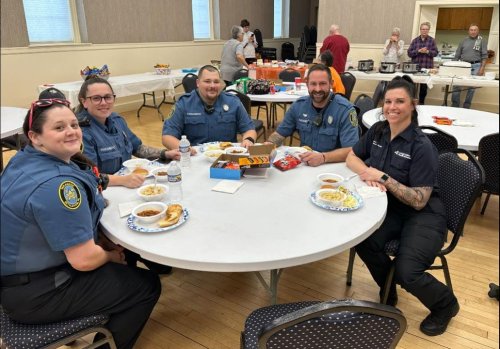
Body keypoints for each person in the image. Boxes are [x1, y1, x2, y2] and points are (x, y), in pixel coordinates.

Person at [0, 98, 161, 349]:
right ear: (35, 136)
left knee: (123, 260)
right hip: (37, 294)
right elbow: (84, 260)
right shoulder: (57, 186)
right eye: (59, 127)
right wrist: (109, 256)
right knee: (146, 285)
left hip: (16, 280)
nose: (71, 131)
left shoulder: (23, 161)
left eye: (74, 124)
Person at [346, 75, 459, 337]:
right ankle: (388, 289)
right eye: (388, 101)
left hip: (425, 214)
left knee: (408, 271)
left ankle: (446, 305)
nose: (392, 107)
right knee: (361, 239)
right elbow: (352, 156)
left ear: (413, 105)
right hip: (391, 207)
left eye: (400, 101)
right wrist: (368, 172)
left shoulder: (422, 146)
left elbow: (419, 200)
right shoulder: (378, 130)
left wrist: (383, 177)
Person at [76, 77, 180, 189]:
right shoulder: (80, 132)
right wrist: (122, 180)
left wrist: (164, 154)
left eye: (108, 97)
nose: (104, 103)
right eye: (96, 98)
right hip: (105, 190)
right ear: (84, 102)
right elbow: (89, 175)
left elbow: (137, 148)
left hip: (129, 183)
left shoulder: (117, 120)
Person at [266, 64, 359, 166]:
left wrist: (323, 157)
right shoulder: (298, 106)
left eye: (323, 83)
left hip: (333, 167)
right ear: (307, 84)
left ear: (331, 84)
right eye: (313, 84)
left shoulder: (345, 110)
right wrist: (268, 145)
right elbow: (280, 134)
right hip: (305, 165)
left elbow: (352, 150)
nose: (318, 89)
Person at [162, 65, 257, 152]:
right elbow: (167, 137)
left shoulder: (233, 102)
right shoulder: (183, 103)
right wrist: (185, 149)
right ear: (198, 83)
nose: (212, 86)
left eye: (216, 82)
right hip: (195, 157)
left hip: (227, 156)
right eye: (207, 81)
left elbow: (249, 129)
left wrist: (248, 140)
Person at [452, 23, 488, 109]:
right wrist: (453, 66)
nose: (473, 32)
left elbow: (484, 56)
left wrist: (482, 68)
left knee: (472, 88)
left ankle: (466, 107)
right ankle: (455, 106)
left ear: (478, 31)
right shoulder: (463, 41)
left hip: (476, 66)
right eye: (471, 30)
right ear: (469, 31)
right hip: (463, 65)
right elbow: (457, 54)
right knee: (456, 85)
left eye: (475, 30)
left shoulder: (482, 41)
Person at [407, 22, 438, 104]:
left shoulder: (432, 41)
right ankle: (411, 103)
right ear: (420, 30)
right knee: (412, 86)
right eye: (423, 29)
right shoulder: (415, 41)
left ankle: (421, 104)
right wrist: (418, 51)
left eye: (426, 29)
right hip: (415, 68)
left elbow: (435, 53)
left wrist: (427, 51)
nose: (424, 31)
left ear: (428, 30)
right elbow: (409, 53)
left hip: (427, 68)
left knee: (423, 88)